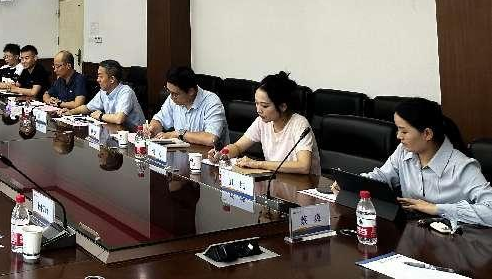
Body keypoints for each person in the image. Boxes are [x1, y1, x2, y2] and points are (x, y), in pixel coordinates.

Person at [332, 98, 492, 226]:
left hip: (454, 241)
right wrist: (350, 184)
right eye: (398, 129)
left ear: (427, 134)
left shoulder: (463, 166)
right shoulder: (404, 152)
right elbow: (381, 177)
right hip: (413, 233)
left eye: (404, 131)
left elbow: (490, 211)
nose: (398, 136)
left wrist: (436, 208)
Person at [210, 71, 320, 175]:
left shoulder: (300, 124)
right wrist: (222, 153)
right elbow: (238, 146)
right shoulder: (262, 121)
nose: (258, 110)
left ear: (283, 106)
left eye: (264, 106)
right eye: (256, 103)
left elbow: (303, 166)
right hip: (275, 179)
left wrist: (258, 164)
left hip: (303, 184)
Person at [148, 66, 228, 147]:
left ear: (191, 92)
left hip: (208, 153)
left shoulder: (212, 102)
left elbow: (211, 139)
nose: (171, 97)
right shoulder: (173, 98)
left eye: (175, 94)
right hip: (182, 151)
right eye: (169, 91)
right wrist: (152, 129)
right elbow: (159, 120)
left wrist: (179, 134)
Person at [62, 60, 145, 130]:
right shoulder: (103, 91)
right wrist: (71, 112)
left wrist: (100, 115)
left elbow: (119, 119)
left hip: (135, 135)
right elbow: (87, 108)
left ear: (112, 79)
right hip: (116, 131)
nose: (97, 80)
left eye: (101, 77)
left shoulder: (126, 92)